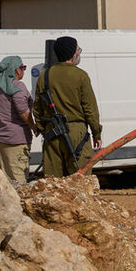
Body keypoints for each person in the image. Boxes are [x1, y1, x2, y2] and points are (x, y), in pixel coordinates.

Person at [33, 36, 102, 176]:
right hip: (76, 133)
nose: (79, 54)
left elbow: (37, 108)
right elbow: (90, 109)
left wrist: (41, 128)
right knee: (80, 181)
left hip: (51, 134)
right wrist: (97, 133)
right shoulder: (80, 76)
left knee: (54, 184)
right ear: (72, 53)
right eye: (78, 50)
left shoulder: (44, 76)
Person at [0, 56, 37, 183]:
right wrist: (34, 127)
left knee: (5, 184)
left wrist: (0, 122)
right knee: (18, 183)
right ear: (17, 70)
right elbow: (23, 112)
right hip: (16, 142)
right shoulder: (18, 86)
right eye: (23, 68)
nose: (23, 71)